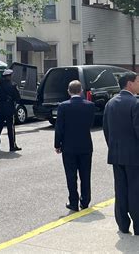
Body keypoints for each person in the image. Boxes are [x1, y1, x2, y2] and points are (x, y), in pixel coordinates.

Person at [103, 72, 139, 235]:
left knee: (121, 190)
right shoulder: (135, 103)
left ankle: (123, 225)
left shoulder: (110, 103)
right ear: (129, 84)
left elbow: (106, 130)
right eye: (138, 81)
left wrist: (113, 147)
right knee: (135, 191)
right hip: (134, 156)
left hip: (116, 155)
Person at [55, 80, 95, 212]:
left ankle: (73, 201)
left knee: (71, 175)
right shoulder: (90, 106)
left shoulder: (63, 106)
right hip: (85, 144)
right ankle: (85, 201)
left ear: (68, 91)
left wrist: (57, 144)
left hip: (69, 146)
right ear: (81, 91)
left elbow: (59, 127)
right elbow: (90, 124)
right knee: (85, 174)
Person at [0, 69, 22, 152]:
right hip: (9, 108)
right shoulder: (13, 85)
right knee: (10, 128)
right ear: (9, 76)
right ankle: (12, 145)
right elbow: (17, 97)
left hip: (0, 108)